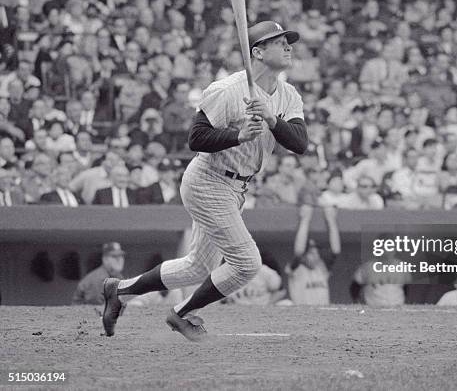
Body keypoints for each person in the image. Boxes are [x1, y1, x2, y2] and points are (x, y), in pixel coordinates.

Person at [101, 21, 307, 341]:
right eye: (280, 42)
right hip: (208, 180)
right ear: (257, 51)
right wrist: (238, 135)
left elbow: (300, 143)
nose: (289, 46)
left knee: (196, 267)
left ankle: (120, 291)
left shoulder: (289, 94)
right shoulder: (228, 89)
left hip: (237, 187)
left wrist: (269, 117)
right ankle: (182, 314)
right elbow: (196, 138)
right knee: (246, 264)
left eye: (288, 42)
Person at [286, 204, 341, 305]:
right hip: (302, 315)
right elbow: (299, 251)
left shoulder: (321, 267)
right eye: (311, 252)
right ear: (304, 256)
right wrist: (305, 220)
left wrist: (331, 220)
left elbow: (335, 250)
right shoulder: (297, 268)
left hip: (323, 314)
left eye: (316, 252)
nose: (315, 255)